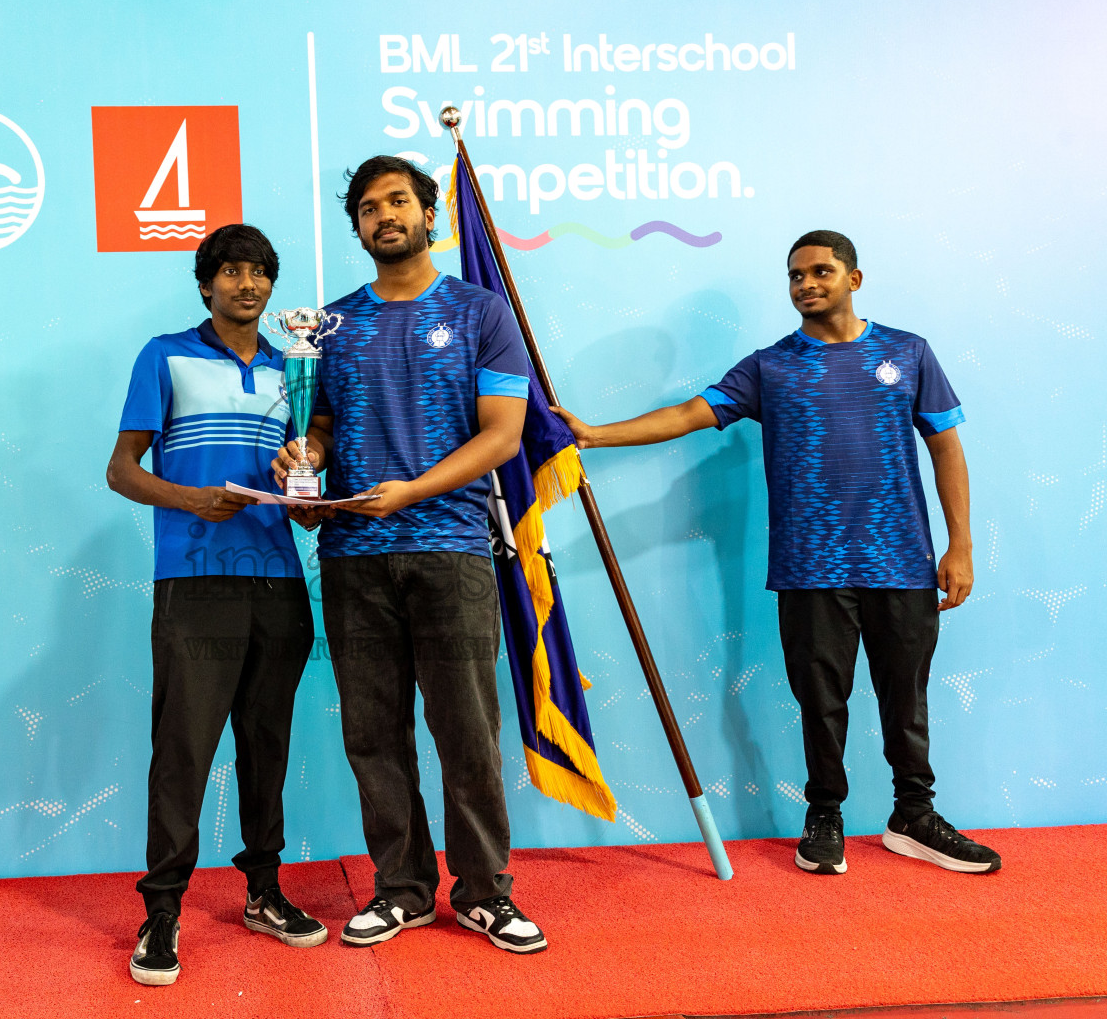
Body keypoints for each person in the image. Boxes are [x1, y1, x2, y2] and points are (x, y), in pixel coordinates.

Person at [552, 230, 1001, 876]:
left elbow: (946, 448)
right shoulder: (771, 366)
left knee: (906, 698)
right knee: (822, 702)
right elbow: (687, 414)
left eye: (820, 271)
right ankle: (824, 816)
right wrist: (594, 435)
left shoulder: (908, 352)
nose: (806, 285)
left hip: (901, 561)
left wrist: (959, 547)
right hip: (810, 566)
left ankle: (915, 817)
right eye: (795, 276)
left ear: (855, 278)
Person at [275, 155, 547, 953]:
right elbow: (316, 426)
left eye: (399, 201)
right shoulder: (328, 325)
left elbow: (501, 435)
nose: (384, 215)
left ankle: (485, 893)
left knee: (466, 729)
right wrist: (302, 456)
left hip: (450, 547)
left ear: (431, 214)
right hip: (354, 552)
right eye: (368, 206)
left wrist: (412, 490)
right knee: (373, 733)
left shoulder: (479, 312)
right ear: (356, 226)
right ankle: (401, 889)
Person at [107, 224, 327, 987]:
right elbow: (122, 470)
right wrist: (188, 500)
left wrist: (311, 501)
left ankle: (264, 893)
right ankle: (161, 911)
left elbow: (305, 483)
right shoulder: (164, 355)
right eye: (231, 271)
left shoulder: (294, 368)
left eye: (260, 272)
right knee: (184, 752)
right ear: (206, 284)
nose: (248, 284)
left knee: (266, 748)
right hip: (194, 582)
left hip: (279, 584)